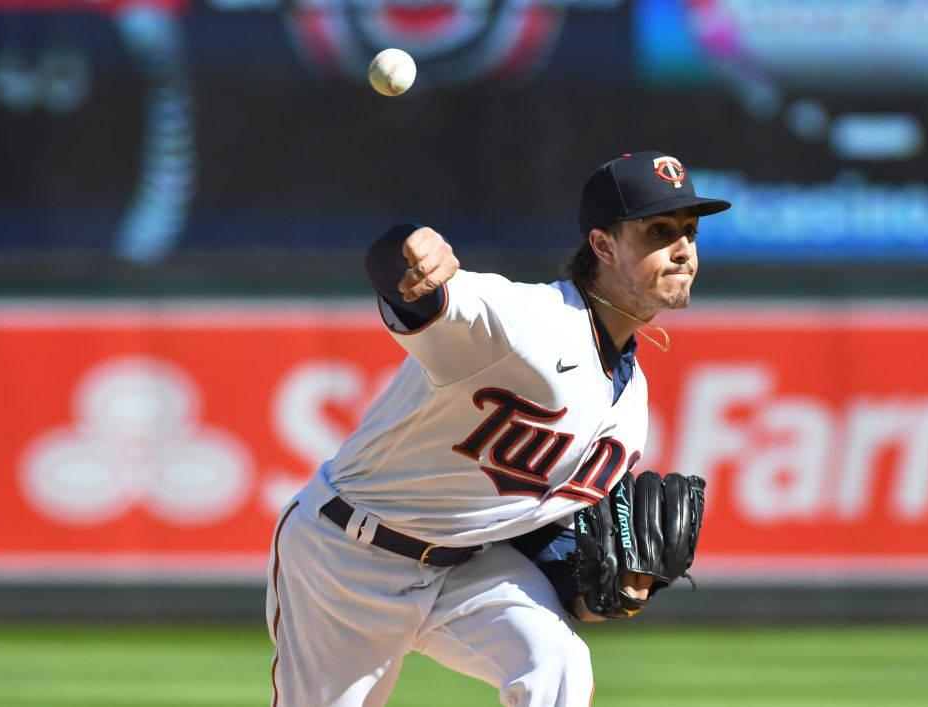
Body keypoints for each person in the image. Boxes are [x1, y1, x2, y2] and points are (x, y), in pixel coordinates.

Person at [266, 151, 730, 706]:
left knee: (557, 663)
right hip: (347, 557)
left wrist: (620, 593)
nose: (683, 250)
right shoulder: (527, 321)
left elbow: (545, 538)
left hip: (465, 564)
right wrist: (410, 248)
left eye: (689, 232)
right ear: (603, 245)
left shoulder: (631, 409)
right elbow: (405, 283)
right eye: (659, 231)